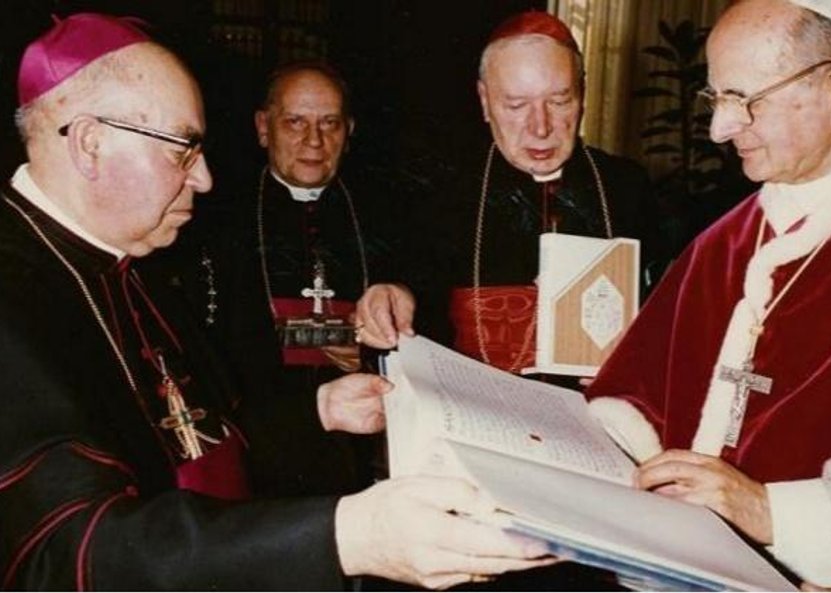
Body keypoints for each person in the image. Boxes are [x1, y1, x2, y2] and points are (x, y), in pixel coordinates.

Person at [0, 13, 552, 589]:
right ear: (91, 144)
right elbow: (68, 554)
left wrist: (320, 413)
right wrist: (348, 537)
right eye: (184, 150)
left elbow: (199, 449)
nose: (207, 179)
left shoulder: (137, 270)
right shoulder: (15, 300)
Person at [585, 0, 831, 589]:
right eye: (715, 98)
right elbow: (636, 398)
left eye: (744, 100)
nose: (718, 129)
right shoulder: (723, 241)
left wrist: (767, 512)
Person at [151, 61, 414, 496]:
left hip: (367, 449)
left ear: (349, 131)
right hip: (262, 450)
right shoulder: (215, 223)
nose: (314, 140)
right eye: (295, 122)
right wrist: (339, 332)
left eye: (329, 123)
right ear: (263, 127)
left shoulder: (386, 214)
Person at [410, 10, 666, 375]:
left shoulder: (627, 187)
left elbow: (664, 323)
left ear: (583, 94)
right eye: (516, 105)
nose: (541, 127)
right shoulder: (443, 195)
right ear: (484, 101)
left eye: (559, 101)